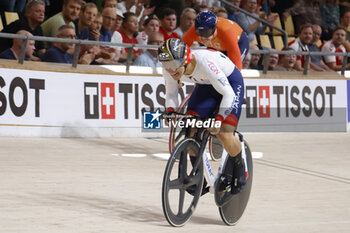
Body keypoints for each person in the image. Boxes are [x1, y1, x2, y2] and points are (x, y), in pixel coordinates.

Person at [158, 38, 247, 206]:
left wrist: (220, 119)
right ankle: (199, 177)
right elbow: (171, 95)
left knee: (224, 132)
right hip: (206, 85)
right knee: (190, 130)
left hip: (230, 84)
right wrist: (170, 111)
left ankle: (240, 168)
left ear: (185, 59)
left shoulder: (205, 63)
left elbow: (228, 94)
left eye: (173, 65)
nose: (170, 70)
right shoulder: (169, 68)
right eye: (166, 65)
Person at [182, 11, 249, 71]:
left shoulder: (225, 32)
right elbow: (181, 49)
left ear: (214, 28)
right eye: (200, 32)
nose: (203, 37)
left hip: (239, 42)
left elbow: (235, 61)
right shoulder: (192, 31)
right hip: (218, 44)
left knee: (229, 69)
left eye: (207, 32)